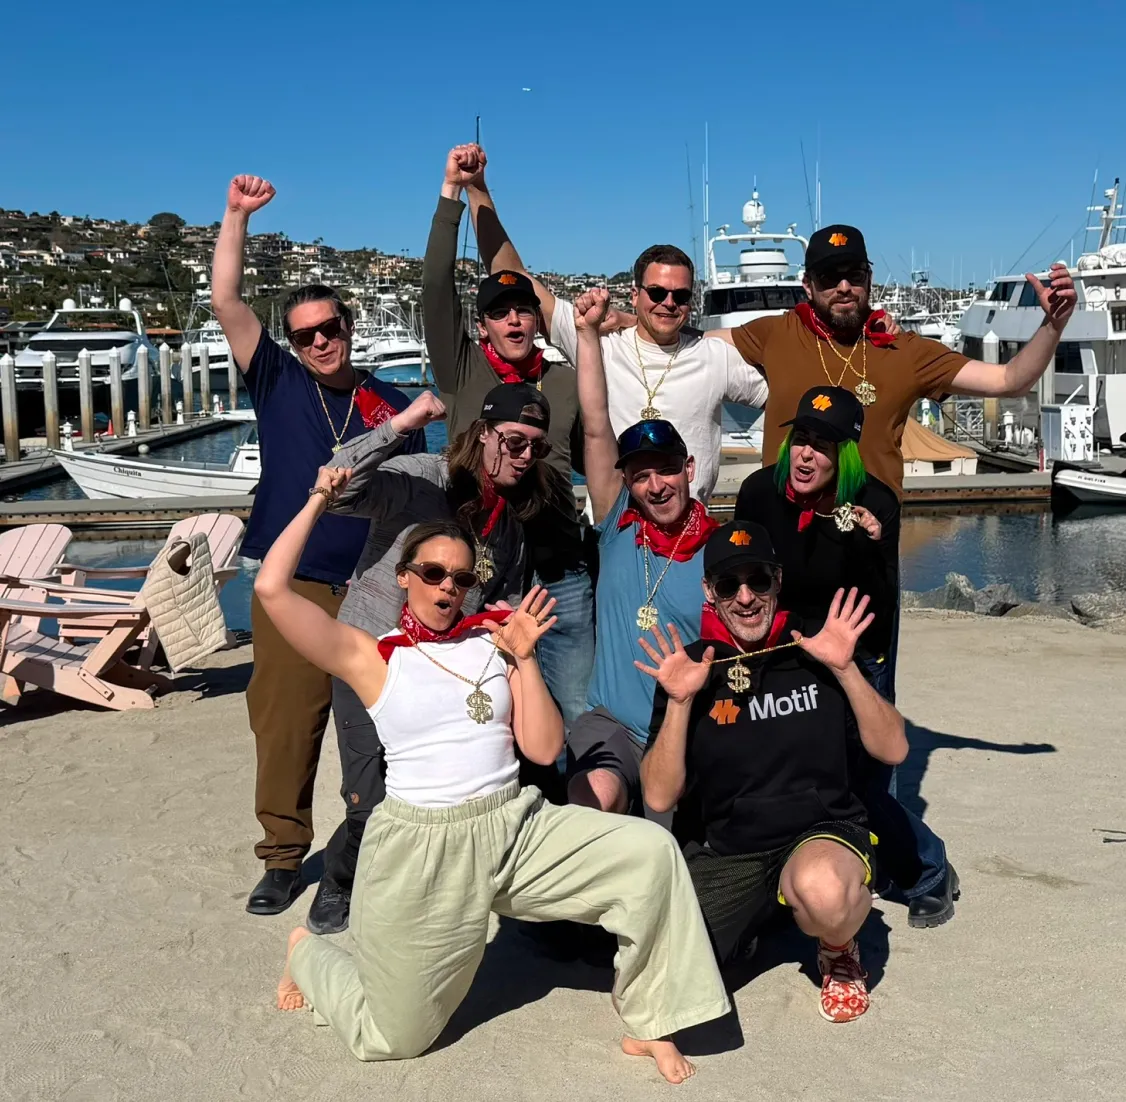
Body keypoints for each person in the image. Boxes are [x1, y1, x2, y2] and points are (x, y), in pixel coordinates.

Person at [256, 497, 731, 1082]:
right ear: (404, 578)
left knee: (650, 854)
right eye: (432, 573)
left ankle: (653, 1020)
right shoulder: (373, 657)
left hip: (517, 827)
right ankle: (305, 951)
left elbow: (543, 748)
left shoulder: (494, 643)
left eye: (461, 577)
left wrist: (525, 660)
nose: (447, 588)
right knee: (393, 1036)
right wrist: (319, 500)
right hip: (422, 850)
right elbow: (274, 589)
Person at [211, 174, 424, 916]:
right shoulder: (274, 380)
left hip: (371, 583)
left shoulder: (392, 403)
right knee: (284, 720)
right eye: (305, 334)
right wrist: (236, 215)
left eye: (330, 328)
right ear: (293, 343)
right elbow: (227, 303)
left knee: (374, 731)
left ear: (350, 326)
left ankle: (365, 849)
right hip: (292, 579)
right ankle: (281, 856)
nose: (320, 341)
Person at [305, 383, 556, 935]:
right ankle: (340, 879)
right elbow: (338, 485)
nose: (523, 456)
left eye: (536, 447)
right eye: (514, 441)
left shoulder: (509, 524)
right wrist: (401, 424)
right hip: (373, 656)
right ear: (485, 433)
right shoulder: (426, 477)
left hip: (445, 670)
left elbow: (505, 597)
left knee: (429, 794)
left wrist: (514, 631)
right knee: (370, 800)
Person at [637, 520, 909, 1023]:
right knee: (661, 980)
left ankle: (837, 947)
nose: (745, 597)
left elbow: (893, 747)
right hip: (729, 849)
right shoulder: (694, 667)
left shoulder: (817, 650)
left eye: (758, 580)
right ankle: (759, 918)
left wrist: (846, 670)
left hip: (818, 832)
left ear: (777, 581)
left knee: (825, 892)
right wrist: (679, 703)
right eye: (728, 584)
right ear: (709, 593)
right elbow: (657, 796)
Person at [734, 385, 956, 926]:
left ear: (846, 454)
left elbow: (881, 607)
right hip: (786, 651)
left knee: (859, 786)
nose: (807, 454)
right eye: (802, 440)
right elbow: (746, 576)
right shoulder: (761, 491)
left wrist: (873, 545)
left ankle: (929, 872)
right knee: (789, 775)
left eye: (824, 446)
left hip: (855, 657)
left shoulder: (874, 503)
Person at [464, 152, 769, 502]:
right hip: (617, 529)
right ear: (636, 295)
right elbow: (515, 278)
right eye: (657, 292)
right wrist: (477, 190)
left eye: (681, 295)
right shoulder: (597, 344)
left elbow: (781, 400)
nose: (669, 302)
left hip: (689, 532)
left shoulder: (715, 356)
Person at [710, 223, 1077, 500]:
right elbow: (696, 347)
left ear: (868, 279)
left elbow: (1010, 381)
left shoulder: (907, 350)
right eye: (828, 277)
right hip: (786, 537)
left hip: (868, 541)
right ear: (808, 286)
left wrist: (1053, 324)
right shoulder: (776, 333)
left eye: (854, 275)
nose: (843, 287)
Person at [424, 144, 593, 725]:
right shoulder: (461, 369)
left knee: (572, 709)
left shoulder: (568, 380)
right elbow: (435, 289)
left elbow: (602, 457)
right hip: (481, 571)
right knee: (488, 711)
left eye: (524, 309)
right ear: (483, 326)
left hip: (560, 572)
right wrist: (453, 193)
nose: (515, 319)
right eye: (501, 312)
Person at [564, 288, 715, 816]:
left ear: (690, 469)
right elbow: (597, 420)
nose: (656, 486)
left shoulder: (720, 554)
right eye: (641, 475)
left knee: (669, 844)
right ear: (626, 482)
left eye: (667, 470)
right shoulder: (617, 526)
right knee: (592, 800)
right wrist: (587, 335)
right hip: (612, 725)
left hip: (686, 727)